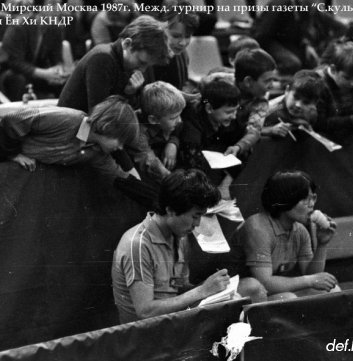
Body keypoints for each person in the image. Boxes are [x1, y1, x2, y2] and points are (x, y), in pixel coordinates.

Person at [0, 96, 157, 207]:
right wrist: (12, 154)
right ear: (106, 127)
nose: (120, 148)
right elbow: (13, 121)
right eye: (120, 141)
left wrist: (157, 202)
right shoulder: (67, 119)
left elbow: (119, 176)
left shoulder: (96, 153)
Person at [111, 168, 227, 323]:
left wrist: (214, 290)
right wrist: (202, 290)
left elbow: (179, 288)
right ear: (171, 210)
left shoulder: (181, 237)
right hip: (142, 337)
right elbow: (145, 311)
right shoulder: (138, 245)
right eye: (195, 216)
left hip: (173, 324)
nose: (197, 224)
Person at [233, 170, 340, 300]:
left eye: (313, 198)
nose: (312, 204)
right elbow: (264, 282)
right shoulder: (257, 227)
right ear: (285, 200)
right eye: (305, 199)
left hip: (267, 293)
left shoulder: (300, 230)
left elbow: (313, 276)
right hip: (244, 293)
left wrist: (322, 244)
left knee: (332, 290)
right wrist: (310, 280)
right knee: (287, 299)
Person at [58, 15, 169, 113]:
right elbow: (99, 114)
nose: (143, 70)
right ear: (127, 44)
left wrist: (129, 92)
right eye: (141, 62)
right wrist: (126, 95)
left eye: (147, 65)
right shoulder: (102, 58)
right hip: (71, 128)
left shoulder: (130, 64)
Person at [178, 75, 259, 194]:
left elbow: (247, 143)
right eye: (229, 112)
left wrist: (226, 184)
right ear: (209, 108)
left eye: (236, 110)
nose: (234, 116)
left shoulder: (231, 120)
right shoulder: (192, 125)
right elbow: (193, 168)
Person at [0, 0, 70, 100]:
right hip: (13, 72)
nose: (58, 8)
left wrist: (58, 71)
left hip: (40, 72)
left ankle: (64, 113)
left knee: (66, 80)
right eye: (53, 4)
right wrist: (44, 73)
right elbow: (14, 62)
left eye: (59, 4)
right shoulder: (19, 26)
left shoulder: (56, 27)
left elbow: (56, 59)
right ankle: (17, 115)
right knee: (18, 79)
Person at [127, 81, 186, 182]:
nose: (179, 120)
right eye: (174, 118)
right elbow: (150, 163)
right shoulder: (137, 132)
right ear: (153, 120)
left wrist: (173, 143)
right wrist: (178, 182)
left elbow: (180, 129)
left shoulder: (166, 115)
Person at [314, 40, 353, 135]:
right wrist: (351, 122)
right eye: (347, 78)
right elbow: (318, 123)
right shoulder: (317, 84)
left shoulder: (350, 78)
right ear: (333, 69)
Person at [147, 0, 199, 91]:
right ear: (160, 27)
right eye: (176, 36)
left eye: (187, 36)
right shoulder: (145, 57)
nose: (182, 43)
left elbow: (181, 86)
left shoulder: (182, 54)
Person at [261, 70, 325, 138]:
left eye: (306, 102)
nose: (298, 105)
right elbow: (250, 131)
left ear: (315, 103)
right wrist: (270, 130)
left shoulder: (312, 114)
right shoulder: (268, 109)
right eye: (296, 97)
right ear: (287, 90)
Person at [233, 48, 278, 131]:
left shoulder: (261, 103)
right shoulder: (218, 84)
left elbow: (253, 131)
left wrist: (268, 131)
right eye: (267, 81)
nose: (272, 86)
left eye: (273, 80)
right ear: (248, 81)